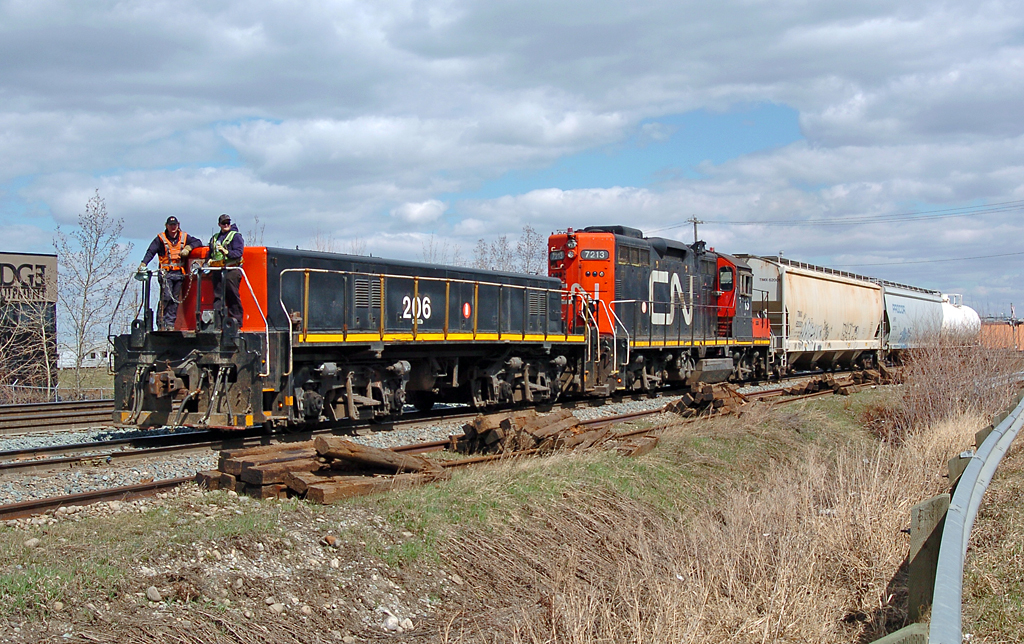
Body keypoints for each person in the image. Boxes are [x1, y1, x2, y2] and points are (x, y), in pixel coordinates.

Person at [138, 216, 203, 330]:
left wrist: (188, 248)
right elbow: (151, 251)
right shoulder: (160, 239)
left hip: (179, 273)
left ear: (178, 225)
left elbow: (198, 242)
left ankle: (170, 324)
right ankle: (161, 323)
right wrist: (144, 263)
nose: (173, 227)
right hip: (165, 273)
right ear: (166, 226)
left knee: (175, 300)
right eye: (170, 225)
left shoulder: (184, 237)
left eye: (175, 225)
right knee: (166, 297)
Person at [208, 213, 245, 328]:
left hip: (232, 269)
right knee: (218, 297)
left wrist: (226, 252)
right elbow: (211, 253)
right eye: (223, 223)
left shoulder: (236, 236)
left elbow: (239, 253)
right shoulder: (214, 238)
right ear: (219, 224)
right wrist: (208, 261)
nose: (226, 225)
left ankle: (237, 322)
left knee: (232, 294)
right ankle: (218, 323)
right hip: (218, 270)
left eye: (228, 223)